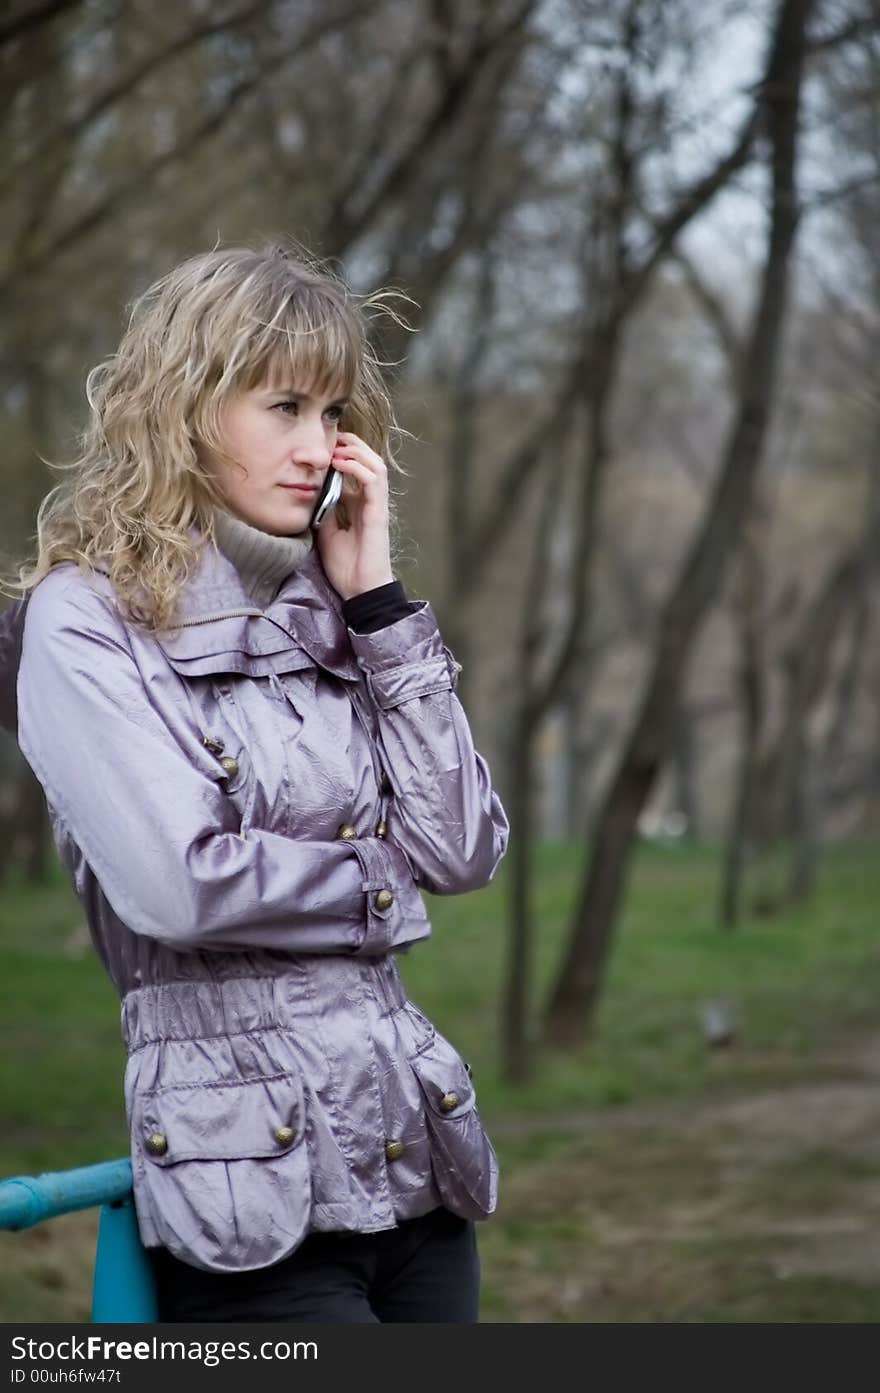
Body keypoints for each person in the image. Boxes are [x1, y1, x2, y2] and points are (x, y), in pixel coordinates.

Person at [0, 244, 509, 1323]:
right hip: (251, 1191)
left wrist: (376, 604)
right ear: (185, 408)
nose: (318, 446)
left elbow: (461, 848)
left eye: (334, 414)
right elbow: (181, 887)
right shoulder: (85, 622)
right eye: (283, 405)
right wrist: (378, 887)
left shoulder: (335, 609)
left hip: (415, 1163)